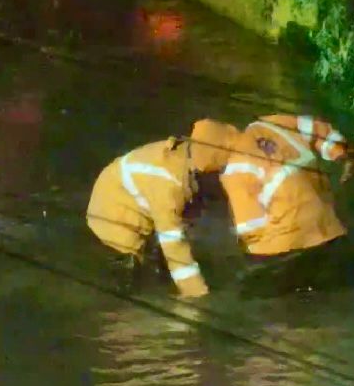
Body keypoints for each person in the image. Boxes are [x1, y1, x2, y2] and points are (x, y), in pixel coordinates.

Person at [86, 119, 239, 297]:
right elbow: (173, 244)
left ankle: (161, 276)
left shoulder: (186, 154)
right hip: (114, 216)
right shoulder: (168, 184)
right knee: (128, 281)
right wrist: (197, 296)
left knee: (163, 262)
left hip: (125, 194)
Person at [218, 113, 354, 297]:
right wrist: (339, 152)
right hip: (326, 226)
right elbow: (316, 129)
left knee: (255, 291)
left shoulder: (235, 169)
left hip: (287, 245)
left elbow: (249, 227)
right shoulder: (271, 123)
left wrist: (247, 252)